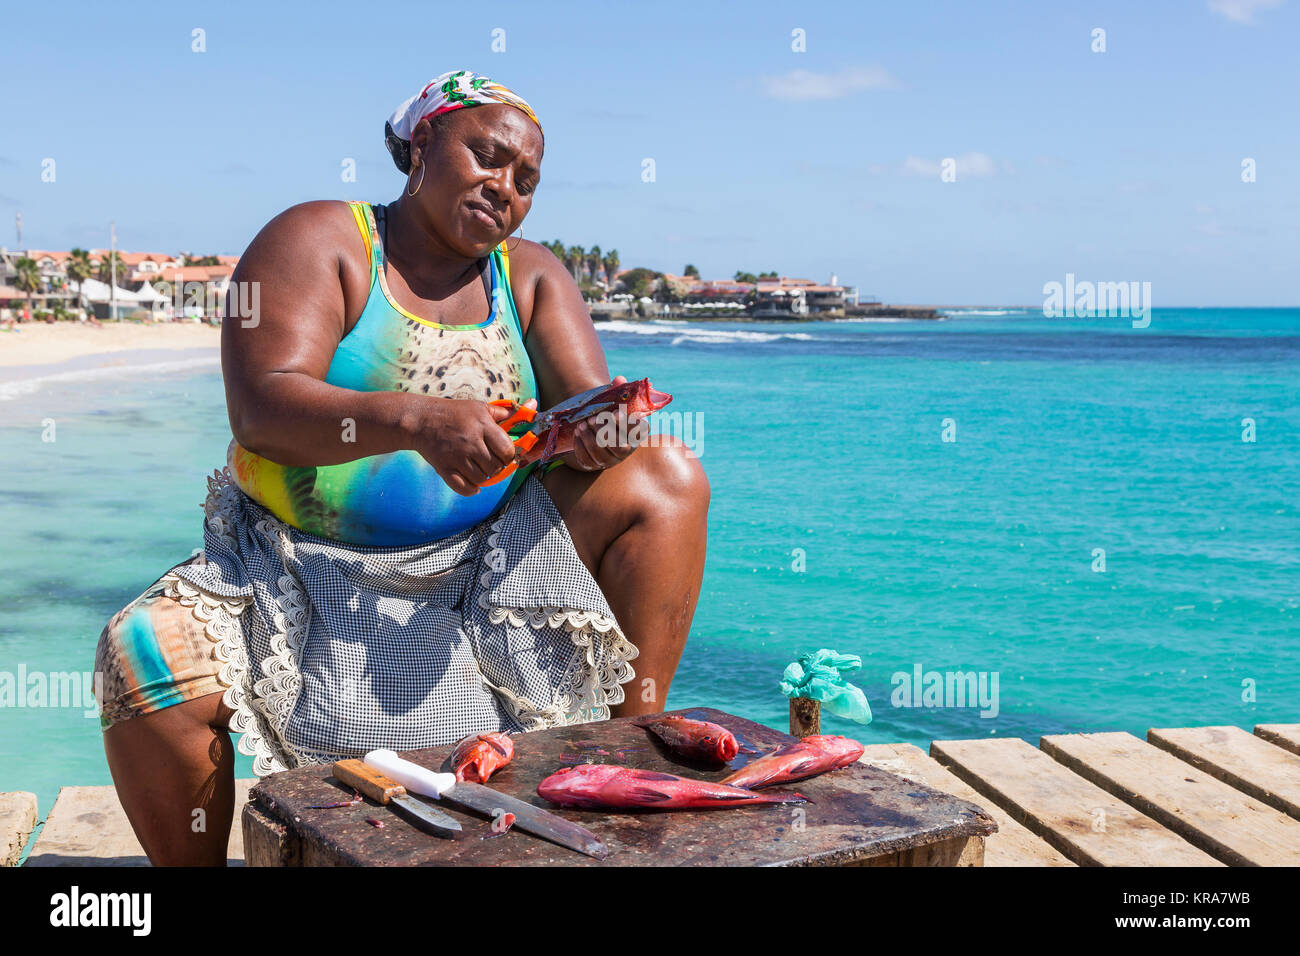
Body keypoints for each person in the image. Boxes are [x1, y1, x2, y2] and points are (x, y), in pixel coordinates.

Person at [94, 69, 709, 865]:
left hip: (488, 566)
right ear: (424, 143)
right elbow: (262, 410)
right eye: (488, 157)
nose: (507, 189)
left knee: (667, 473)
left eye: (526, 181)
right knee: (143, 655)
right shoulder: (322, 240)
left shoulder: (530, 275)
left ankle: (617, 766)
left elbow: (589, 402)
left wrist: (606, 431)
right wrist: (417, 420)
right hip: (292, 570)